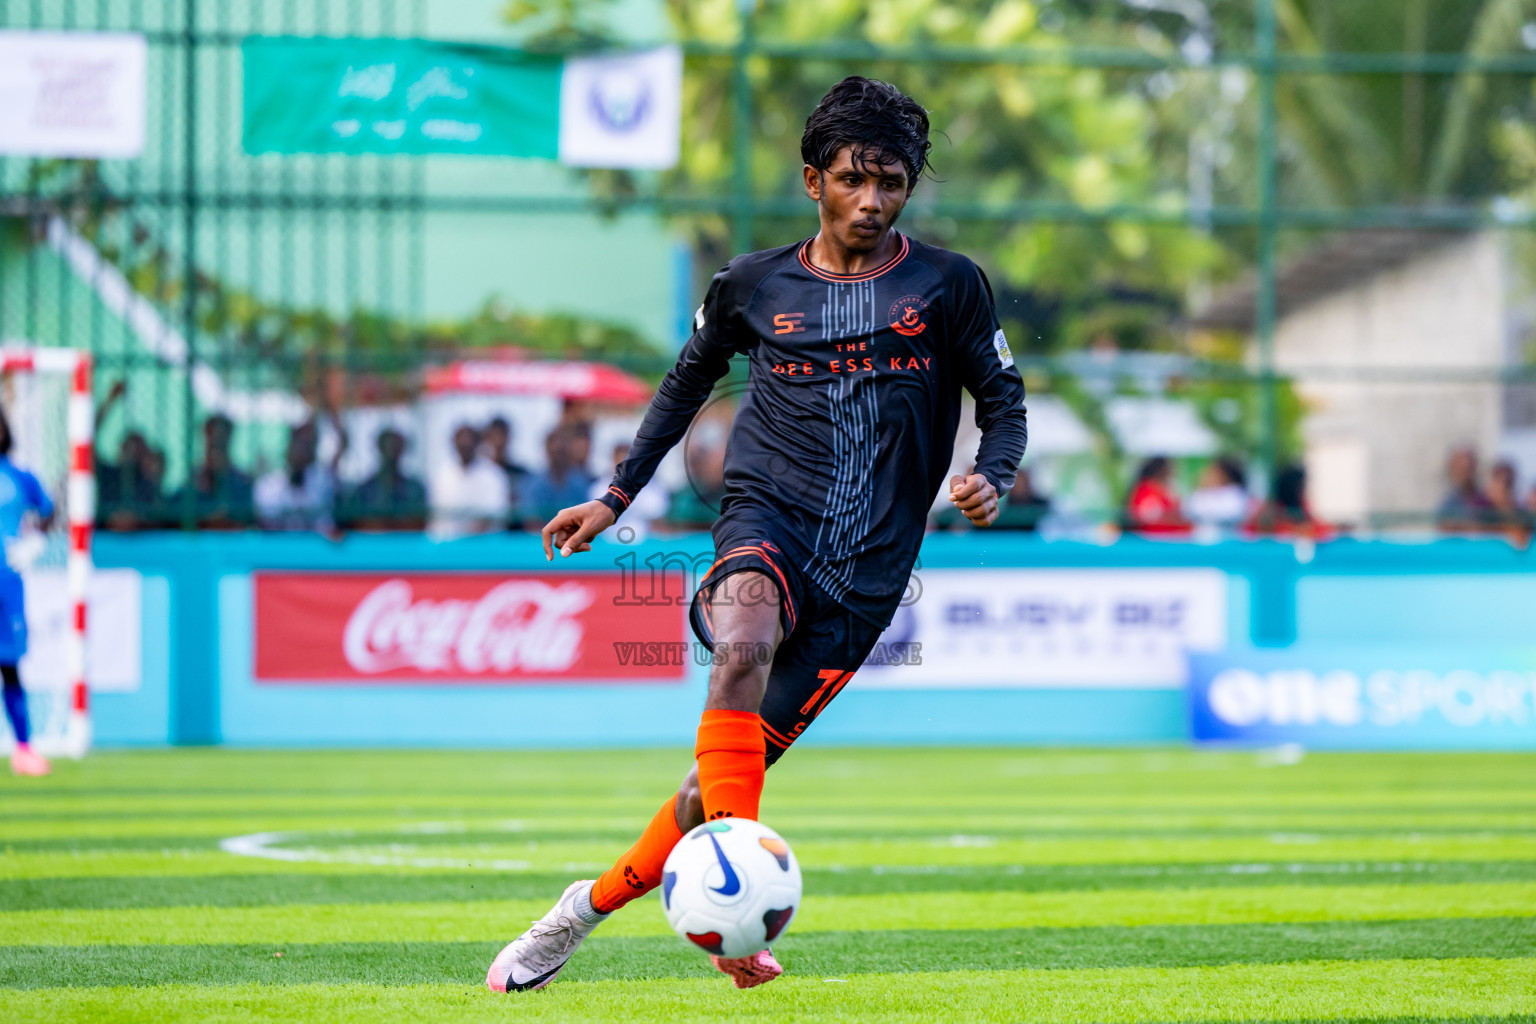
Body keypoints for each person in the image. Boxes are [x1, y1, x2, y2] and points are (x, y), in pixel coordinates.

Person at [487, 76, 1027, 993]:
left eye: (891, 183)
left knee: (709, 791)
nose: (872, 201)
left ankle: (583, 908)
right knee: (739, 642)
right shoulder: (752, 284)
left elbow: (1003, 402)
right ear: (812, 179)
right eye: (854, 179)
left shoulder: (948, 286)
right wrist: (615, 498)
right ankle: (739, 939)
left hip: (865, 573)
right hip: (764, 516)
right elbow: (684, 385)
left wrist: (994, 477)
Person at [0, 406, 56, 776]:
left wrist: (35, 542)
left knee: (9, 665)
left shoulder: (20, 477)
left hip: (6, 583)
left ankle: (24, 747)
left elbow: (49, 511)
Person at [255, 413, 346, 532]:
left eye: (307, 445)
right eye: (298, 443)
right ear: (289, 447)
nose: (302, 450)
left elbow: (327, 526)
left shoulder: (324, 483)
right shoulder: (267, 485)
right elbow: (266, 526)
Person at [428, 424, 510, 537]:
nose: (465, 447)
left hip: (483, 545)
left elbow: (493, 516)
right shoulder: (443, 476)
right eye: (461, 444)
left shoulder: (493, 476)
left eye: (468, 444)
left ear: (477, 444)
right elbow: (437, 518)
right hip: (448, 545)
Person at [338, 428, 428, 531]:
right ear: (379, 449)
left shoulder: (415, 488)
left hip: (406, 545)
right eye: (388, 448)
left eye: (396, 448)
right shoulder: (364, 490)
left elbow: (418, 523)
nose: (392, 454)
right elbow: (355, 523)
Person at [181, 414, 255, 528]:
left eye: (219, 444)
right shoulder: (194, 481)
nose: (215, 452)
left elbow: (248, 516)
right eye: (211, 445)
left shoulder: (243, 482)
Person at [518, 422, 596, 528]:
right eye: (556, 451)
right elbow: (530, 520)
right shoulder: (532, 483)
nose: (559, 455)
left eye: (562, 451)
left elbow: (587, 519)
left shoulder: (581, 483)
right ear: (547, 450)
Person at [588, 442, 667, 538]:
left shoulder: (652, 487)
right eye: (619, 461)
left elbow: (657, 511)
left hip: (644, 541)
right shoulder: (599, 488)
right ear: (613, 461)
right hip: (608, 542)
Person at [1244, 463, 1333, 540]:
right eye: (1302, 488)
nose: (1304, 492)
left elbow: (1323, 531)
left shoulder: (1302, 509)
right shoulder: (1270, 511)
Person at [1125, 456, 1191, 536]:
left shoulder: (1168, 489)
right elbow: (1145, 517)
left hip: (1173, 536)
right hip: (1154, 537)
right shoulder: (1146, 490)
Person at [1185, 456, 1251, 536]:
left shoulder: (1235, 494)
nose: (1208, 475)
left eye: (1215, 472)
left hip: (1230, 541)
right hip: (1201, 541)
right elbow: (1189, 511)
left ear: (1225, 476)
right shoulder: (1200, 494)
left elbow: (1232, 513)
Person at [483, 416, 531, 514]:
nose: (499, 441)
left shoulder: (521, 473)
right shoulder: (480, 473)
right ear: (487, 439)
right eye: (494, 436)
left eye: (503, 435)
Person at [1436, 446, 1490, 532]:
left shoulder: (1485, 499)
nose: (1465, 473)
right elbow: (1444, 528)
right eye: (1460, 468)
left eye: (1468, 468)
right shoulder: (1449, 501)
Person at [1483, 460, 1532, 547]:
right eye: (1499, 481)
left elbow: (1521, 539)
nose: (1503, 488)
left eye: (1508, 483)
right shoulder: (1480, 507)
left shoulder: (1521, 512)